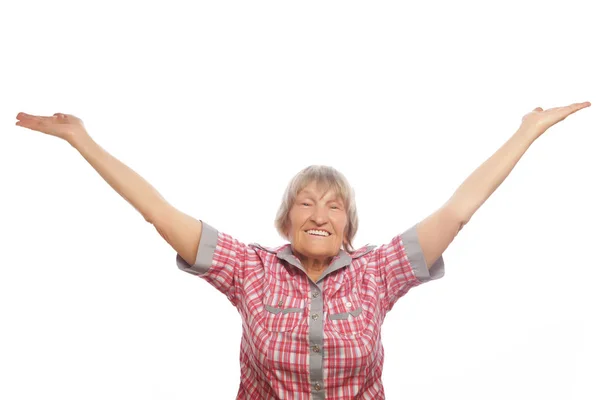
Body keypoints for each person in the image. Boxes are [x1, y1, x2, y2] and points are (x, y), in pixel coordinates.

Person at [14, 101, 591, 399]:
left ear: (348, 224)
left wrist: (528, 129)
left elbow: (459, 211)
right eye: (307, 203)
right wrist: (81, 139)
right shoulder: (251, 270)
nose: (319, 214)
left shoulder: (377, 273)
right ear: (287, 217)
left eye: (334, 205)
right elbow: (159, 214)